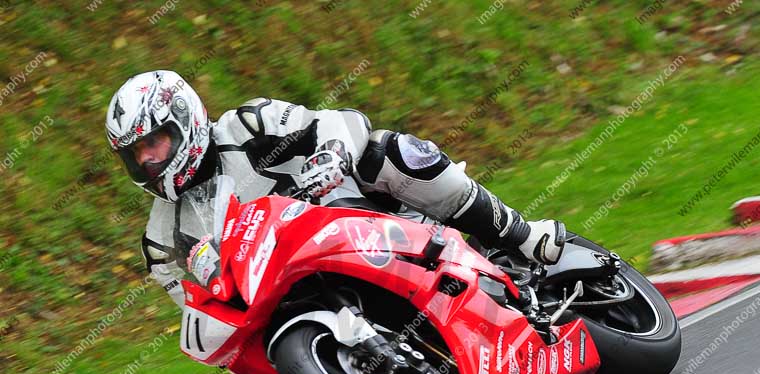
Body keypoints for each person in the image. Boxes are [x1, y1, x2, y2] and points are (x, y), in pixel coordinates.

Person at [105, 70, 565, 309]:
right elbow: (194, 309)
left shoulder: (248, 125)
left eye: (154, 142)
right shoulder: (162, 237)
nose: (147, 160)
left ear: (184, 119)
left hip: (367, 224)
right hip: (290, 296)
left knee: (389, 151)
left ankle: (522, 236)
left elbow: (341, 121)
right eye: (135, 153)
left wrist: (329, 154)